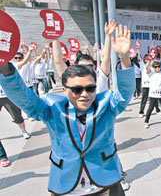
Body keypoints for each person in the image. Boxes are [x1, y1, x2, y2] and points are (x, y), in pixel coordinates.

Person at [0, 26, 134, 195]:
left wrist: (124, 58)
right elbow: (24, 98)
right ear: (64, 90)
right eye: (77, 90)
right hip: (66, 185)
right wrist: (3, 65)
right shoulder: (52, 109)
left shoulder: (106, 106)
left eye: (90, 89)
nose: (84, 94)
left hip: (105, 182)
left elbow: (124, 93)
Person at [144, 51, 161, 128]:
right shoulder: (151, 73)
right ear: (153, 68)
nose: (157, 68)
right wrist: (149, 58)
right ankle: (146, 121)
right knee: (150, 108)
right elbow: (146, 67)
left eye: (159, 66)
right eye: (155, 67)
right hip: (153, 94)